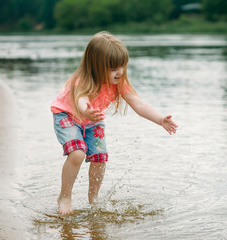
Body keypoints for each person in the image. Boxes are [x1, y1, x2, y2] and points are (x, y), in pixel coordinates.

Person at [51, 31, 178, 215]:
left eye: (122, 66)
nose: (119, 72)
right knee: (77, 154)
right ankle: (65, 197)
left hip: (93, 121)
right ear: (96, 66)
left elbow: (138, 103)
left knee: (100, 157)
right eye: (113, 68)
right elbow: (81, 98)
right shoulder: (83, 79)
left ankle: (93, 199)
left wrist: (160, 119)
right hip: (68, 115)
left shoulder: (119, 82)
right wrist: (86, 110)